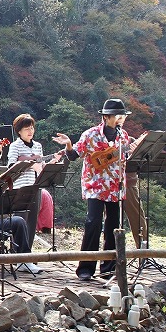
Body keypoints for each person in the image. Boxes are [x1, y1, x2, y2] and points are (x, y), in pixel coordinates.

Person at [53, 98, 131, 281]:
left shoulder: (123, 136)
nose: (120, 119)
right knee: (93, 222)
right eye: (116, 116)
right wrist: (68, 144)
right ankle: (86, 267)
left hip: (116, 187)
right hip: (95, 185)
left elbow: (126, 158)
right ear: (106, 117)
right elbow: (73, 155)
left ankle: (109, 268)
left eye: (122, 116)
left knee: (114, 225)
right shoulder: (90, 134)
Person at [6, 113, 63, 243]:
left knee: (32, 221)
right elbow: (11, 166)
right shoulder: (15, 146)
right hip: (20, 188)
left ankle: (28, 254)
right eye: (27, 129)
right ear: (19, 131)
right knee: (20, 221)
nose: (30, 131)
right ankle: (16, 254)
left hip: (35, 187)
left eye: (32, 128)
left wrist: (52, 163)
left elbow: (41, 167)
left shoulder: (38, 146)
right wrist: (30, 166)